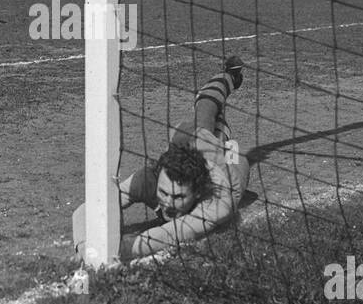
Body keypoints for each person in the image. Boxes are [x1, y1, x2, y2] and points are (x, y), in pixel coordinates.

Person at [75, 58, 249, 264]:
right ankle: (225, 88)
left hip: (230, 169)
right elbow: (85, 210)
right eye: (164, 192)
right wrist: (85, 246)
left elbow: (169, 234)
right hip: (194, 146)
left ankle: (228, 81)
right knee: (188, 127)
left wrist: (111, 250)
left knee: (212, 124)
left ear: (198, 192)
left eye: (178, 197)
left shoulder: (217, 202)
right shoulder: (148, 178)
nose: (167, 202)